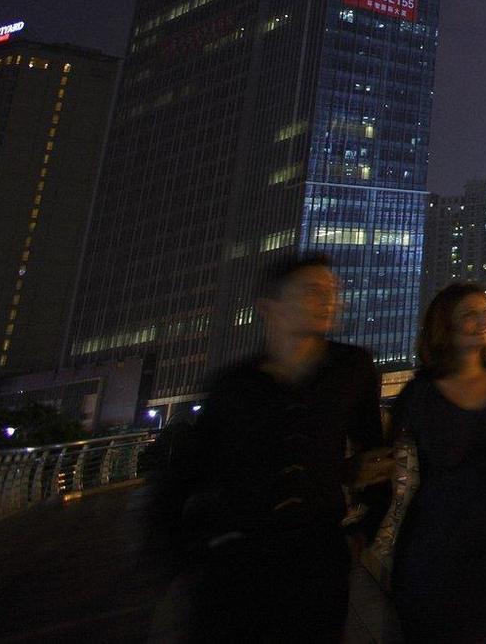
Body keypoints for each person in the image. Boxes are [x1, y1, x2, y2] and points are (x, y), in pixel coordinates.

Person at [147, 252, 391, 642]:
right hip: (240, 566)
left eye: (334, 291)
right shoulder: (234, 386)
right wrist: (185, 564)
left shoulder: (353, 368)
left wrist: (364, 531)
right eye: (313, 291)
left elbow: (375, 455)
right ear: (269, 307)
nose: (330, 300)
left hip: (320, 560)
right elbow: (180, 481)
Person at [389, 283, 486, 643]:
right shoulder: (419, 394)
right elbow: (387, 461)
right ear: (446, 326)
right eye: (471, 314)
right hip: (437, 543)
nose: (485, 320)